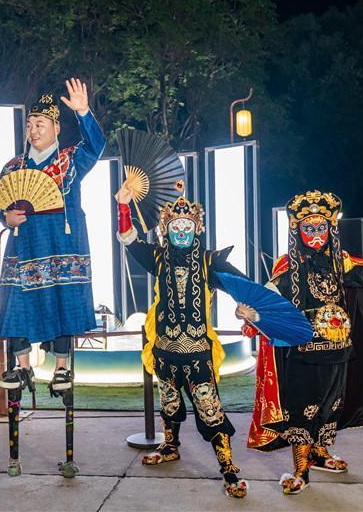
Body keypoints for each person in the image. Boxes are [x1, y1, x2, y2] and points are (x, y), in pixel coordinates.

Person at [241, 190, 363, 495]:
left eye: (321, 227)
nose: (316, 233)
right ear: (297, 231)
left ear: (330, 229)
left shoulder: (340, 263)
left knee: (331, 405)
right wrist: (250, 311)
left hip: (339, 350)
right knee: (303, 408)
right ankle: (300, 469)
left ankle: (319, 453)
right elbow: (267, 296)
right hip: (303, 352)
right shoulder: (289, 267)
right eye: (309, 228)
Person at [115, 184, 249, 499]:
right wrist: (123, 206)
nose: (181, 232)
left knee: (210, 409)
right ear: (166, 230)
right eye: (175, 227)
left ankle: (228, 468)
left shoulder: (210, 261)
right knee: (169, 403)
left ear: (197, 228)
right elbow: (129, 239)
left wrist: (244, 307)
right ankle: (170, 446)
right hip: (164, 351)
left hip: (198, 353)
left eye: (187, 226)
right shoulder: (157, 258)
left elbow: (242, 285)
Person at [0, 78, 105, 393]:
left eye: (40, 124)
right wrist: (5, 216)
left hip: (62, 244)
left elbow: (96, 146)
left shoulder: (70, 160)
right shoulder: (14, 166)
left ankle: (61, 368)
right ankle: (22, 366)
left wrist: (83, 112)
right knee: (17, 300)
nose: (33, 130)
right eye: (30, 125)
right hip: (24, 244)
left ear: (57, 128)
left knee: (63, 297)